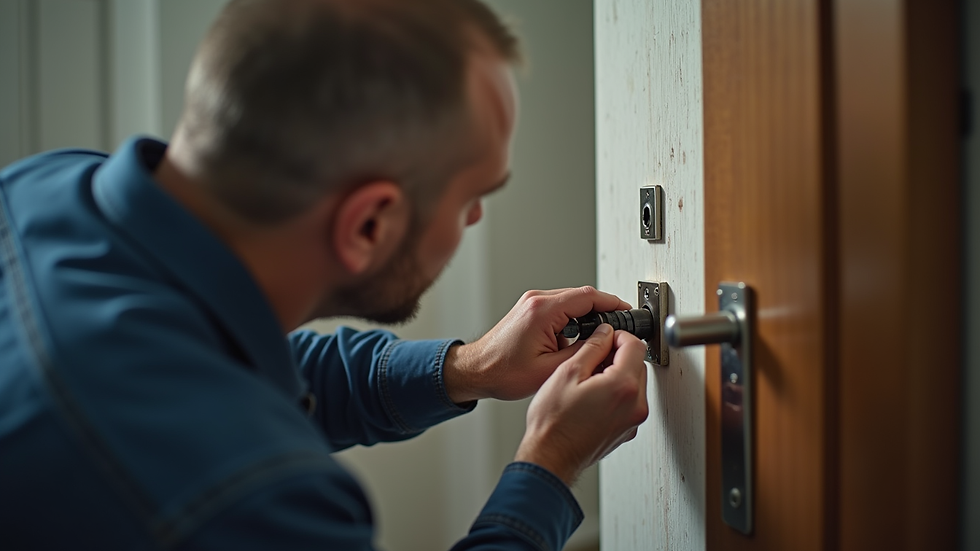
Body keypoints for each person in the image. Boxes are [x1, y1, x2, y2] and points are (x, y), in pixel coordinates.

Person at [0, 0, 649, 549]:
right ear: (369, 226)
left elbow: (223, 372)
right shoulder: (255, 499)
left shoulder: (40, 188)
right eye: (470, 198)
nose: (475, 219)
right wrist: (550, 462)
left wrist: (468, 367)